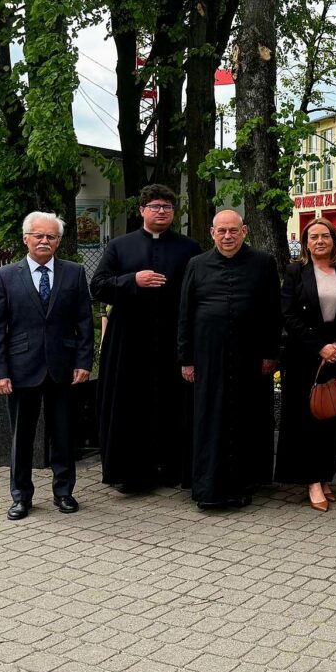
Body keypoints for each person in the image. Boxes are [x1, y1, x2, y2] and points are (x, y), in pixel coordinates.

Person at [90, 184, 201, 493]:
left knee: (172, 403)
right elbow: (97, 285)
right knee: (130, 403)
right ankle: (131, 474)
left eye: (167, 207)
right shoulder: (119, 246)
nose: (161, 212)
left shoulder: (189, 247)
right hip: (129, 340)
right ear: (141, 210)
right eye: (154, 206)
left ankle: (173, 469)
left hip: (171, 338)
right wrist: (132, 281)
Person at [0, 212, 94, 520]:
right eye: (39, 236)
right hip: (21, 370)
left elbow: (84, 322)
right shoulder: (4, 276)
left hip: (63, 367)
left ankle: (64, 492)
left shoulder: (74, 273)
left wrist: (83, 361)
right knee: (22, 436)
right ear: (26, 239)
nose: (45, 241)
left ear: (58, 241)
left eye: (51, 237)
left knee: (64, 433)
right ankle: (21, 496)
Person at [178, 210, 281, 510]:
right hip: (208, 357)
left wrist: (271, 353)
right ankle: (208, 487)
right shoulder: (196, 265)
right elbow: (185, 314)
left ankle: (243, 484)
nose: (227, 236)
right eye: (221, 231)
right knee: (210, 420)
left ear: (244, 231)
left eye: (233, 231)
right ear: (212, 233)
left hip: (250, 357)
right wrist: (186, 358)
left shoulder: (263, 263)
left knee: (245, 419)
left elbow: (272, 313)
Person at [275, 217, 336, 511]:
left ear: (334, 240)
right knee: (307, 420)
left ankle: (326, 476)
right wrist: (319, 347)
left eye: (325, 236)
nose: (320, 241)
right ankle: (312, 480)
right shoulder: (295, 272)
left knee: (332, 417)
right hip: (305, 354)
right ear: (306, 243)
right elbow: (288, 315)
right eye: (314, 237)